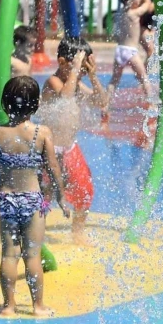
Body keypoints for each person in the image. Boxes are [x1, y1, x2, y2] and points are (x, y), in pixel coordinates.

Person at [0, 76, 70, 316]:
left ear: (5, 104)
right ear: (36, 105)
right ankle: (38, 306)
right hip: (32, 202)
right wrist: (61, 196)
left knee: (9, 254)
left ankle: (8, 305)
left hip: (7, 200)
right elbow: (53, 168)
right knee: (32, 255)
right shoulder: (41, 133)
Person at [37, 37, 108, 246]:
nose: (82, 72)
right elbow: (65, 97)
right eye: (79, 66)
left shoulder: (76, 83)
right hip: (49, 151)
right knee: (45, 195)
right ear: (62, 62)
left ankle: (78, 233)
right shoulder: (53, 82)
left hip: (69, 149)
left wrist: (93, 77)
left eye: (86, 67)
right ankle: (33, 231)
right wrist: (76, 70)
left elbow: (101, 102)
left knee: (84, 190)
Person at [107, 0, 154, 99]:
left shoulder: (121, 14)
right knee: (144, 78)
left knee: (114, 81)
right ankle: (152, 104)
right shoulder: (134, 14)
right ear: (131, 0)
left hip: (119, 50)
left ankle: (105, 105)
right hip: (131, 52)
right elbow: (148, 4)